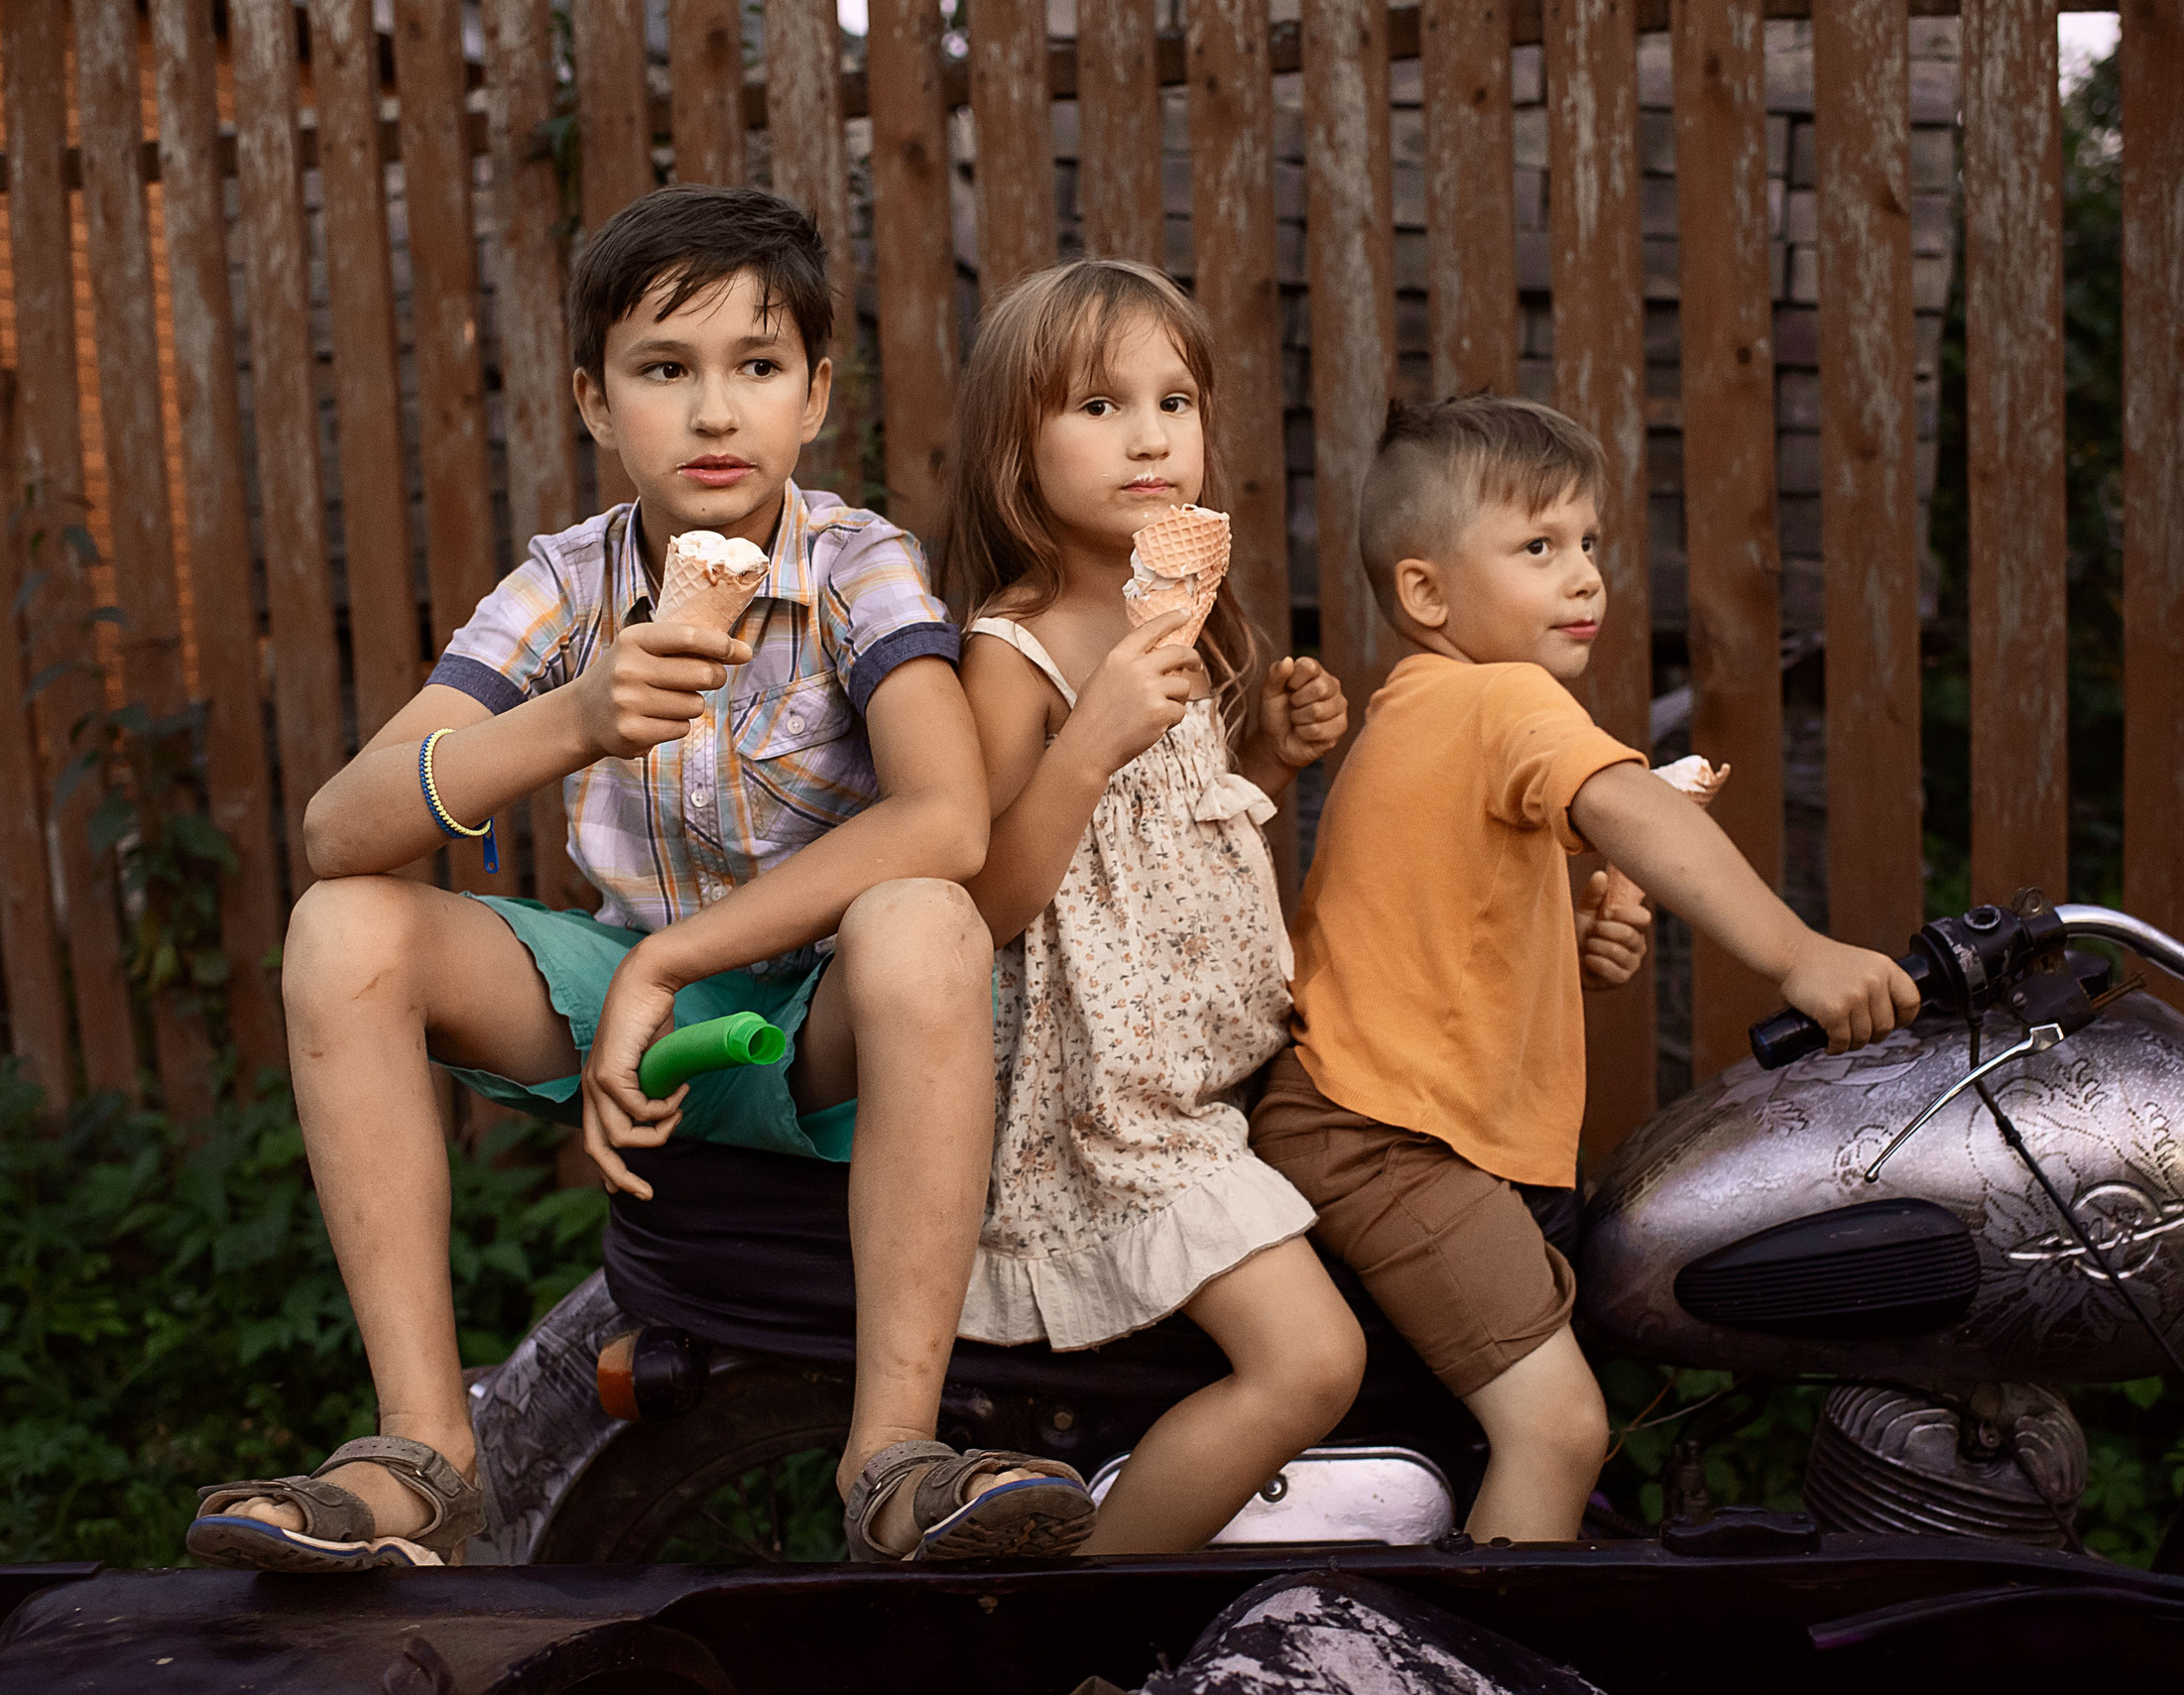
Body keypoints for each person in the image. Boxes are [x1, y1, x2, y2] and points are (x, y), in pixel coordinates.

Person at [186, 185, 1093, 1571]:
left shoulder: (857, 566)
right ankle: (425, 1450)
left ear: (816, 394)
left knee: (920, 918)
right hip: (622, 1004)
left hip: (816, 1019)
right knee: (341, 926)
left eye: (758, 368)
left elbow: (949, 815)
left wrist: (669, 966)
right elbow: (337, 827)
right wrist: (569, 719)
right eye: (666, 372)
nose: (716, 415)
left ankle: (893, 1455)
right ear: (597, 405)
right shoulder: (566, 585)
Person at [1250, 394, 1920, 1543]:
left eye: (1591, 543)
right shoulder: (1505, 698)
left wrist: (1572, 951)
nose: (1584, 577)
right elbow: (1633, 811)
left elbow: (1435, 934)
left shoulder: (1424, 708)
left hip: (1368, 1116)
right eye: (1537, 547)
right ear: (1425, 592)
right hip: (1388, 1140)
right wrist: (1796, 953)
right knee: (1557, 1428)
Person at [945, 259, 1366, 1554]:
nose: (1147, 436)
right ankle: (1081, 1625)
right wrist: (1093, 736)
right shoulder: (1011, 653)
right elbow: (993, 901)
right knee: (1310, 1361)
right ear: (1016, 453)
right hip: (1106, 1108)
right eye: (1095, 405)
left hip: (1218, 1067)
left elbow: (1168, 845)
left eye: (1173, 401)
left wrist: (1271, 760)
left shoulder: (1186, 620)